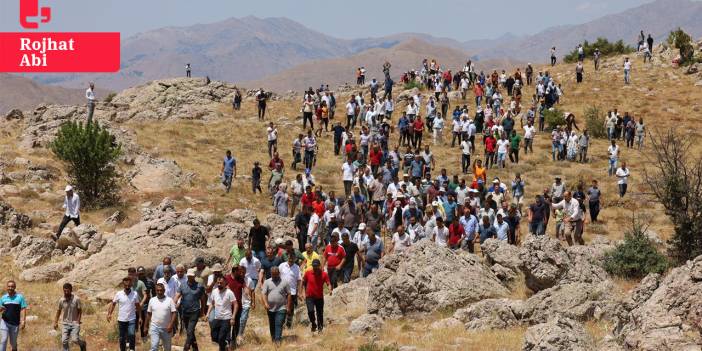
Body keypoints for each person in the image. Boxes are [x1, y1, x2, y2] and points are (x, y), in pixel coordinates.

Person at [174, 269, 206, 351]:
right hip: (185, 312)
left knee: (189, 331)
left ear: (194, 276)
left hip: (195, 311)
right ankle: (195, 349)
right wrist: (173, 304)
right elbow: (177, 296)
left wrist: (202, 311)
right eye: (188, 276)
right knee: (190, 332)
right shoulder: (182, 285)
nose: (190, 278)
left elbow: (203, 300)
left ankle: (186, 348)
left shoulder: (200, 286)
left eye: (191, 276)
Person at [107, 277, 141, 351]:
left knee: (131, 335)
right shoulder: (119, 294)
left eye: (129, 285)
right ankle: (122, 349)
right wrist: (109, 314)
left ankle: (132, 349)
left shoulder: (135, 294)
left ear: (131, 284)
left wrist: (140, 317)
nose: (127, 287)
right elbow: (113, 304)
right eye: (126, 285)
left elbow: (138, 306)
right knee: (122, 337)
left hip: (131, 319)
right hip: (121, 319)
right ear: (123, 285)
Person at [262, 267, 292, 345]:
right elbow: (264, 294)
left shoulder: (284, 282)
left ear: (279, 273)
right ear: (271, 274)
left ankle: (278, 340)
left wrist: (288, 306)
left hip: (281, 307)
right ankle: (273, 338)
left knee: (279, 323)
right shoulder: (267, 282)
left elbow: (289, 294)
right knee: (272, 324)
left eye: (276, 274)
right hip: (270, 308)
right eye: (273, 274)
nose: (274, 276)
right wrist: (265, 303)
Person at [206, 276, 237, 351]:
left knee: (221, 338)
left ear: (225, 283)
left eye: (221, 283)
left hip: (226, 318)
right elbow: (212, 303)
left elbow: (235, 304)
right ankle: (225, 344)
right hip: (217, 318)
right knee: (214, 337)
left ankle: (223, 347)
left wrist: (233, 317)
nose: (219, 284)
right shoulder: (214, 291)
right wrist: (208, 313)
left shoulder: (229, 293)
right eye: (218, 283)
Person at [53, 283, 86, 351]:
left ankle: (82, 344)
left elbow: (80, 310)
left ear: (71, 290)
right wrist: (55, 322)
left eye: (68, 291)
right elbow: (58, 311)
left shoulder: (76, 299)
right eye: (64, 291)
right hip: (65, 323)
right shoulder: (61, 300)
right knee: (64, 341)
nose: (66, 292)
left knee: (75, 340)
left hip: (74, 323)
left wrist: (78, 321)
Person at [145, 283, 176, 351]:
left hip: (167, 328)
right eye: (158, 290)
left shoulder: (170, 300)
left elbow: (174, 313)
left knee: (167, 348)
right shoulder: (152, 300)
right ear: (155, 291)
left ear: (164, 290)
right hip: (154, 327)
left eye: (161, 290)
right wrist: (146, 326)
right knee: (154, 347)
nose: (159, 292)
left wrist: (171, 325)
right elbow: (149, 313)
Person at [302, 259, 329, 334]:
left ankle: (320, 328)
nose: (315, 268)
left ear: (319, 266)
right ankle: (313, 323)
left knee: (320, 313)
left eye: (316, 266)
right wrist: (302, 292)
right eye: (314, 266)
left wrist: (330, 289)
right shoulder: (308, 273)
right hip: (309, 296)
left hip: (319, 297)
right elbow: (303, 282)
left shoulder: (324, 274)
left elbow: (328, 283)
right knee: (310, 311)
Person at [0, 281, 27, 351]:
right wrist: (1, 309)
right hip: (4, 322)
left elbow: (23, 308)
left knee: (13, 343)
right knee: (3, 340)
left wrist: (23, 320)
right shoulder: (3, 298)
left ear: (15, 287)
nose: (10, 288)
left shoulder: (20, 297)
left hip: (15, 323)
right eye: (9, 286)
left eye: (12, 286)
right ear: (6, 287)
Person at [278, 254, 301, 329]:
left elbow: (299, 280)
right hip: (282, 291)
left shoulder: (297, 267)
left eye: (292, 258)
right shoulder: (282, 265)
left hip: (292, 291)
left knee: (290, 308)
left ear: (295, 259)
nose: (291, 259)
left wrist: (299, 291)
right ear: (288, 257)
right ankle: (282, 323)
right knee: (282, 308)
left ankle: (288, 324)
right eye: (290, 258)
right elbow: (277, 276)